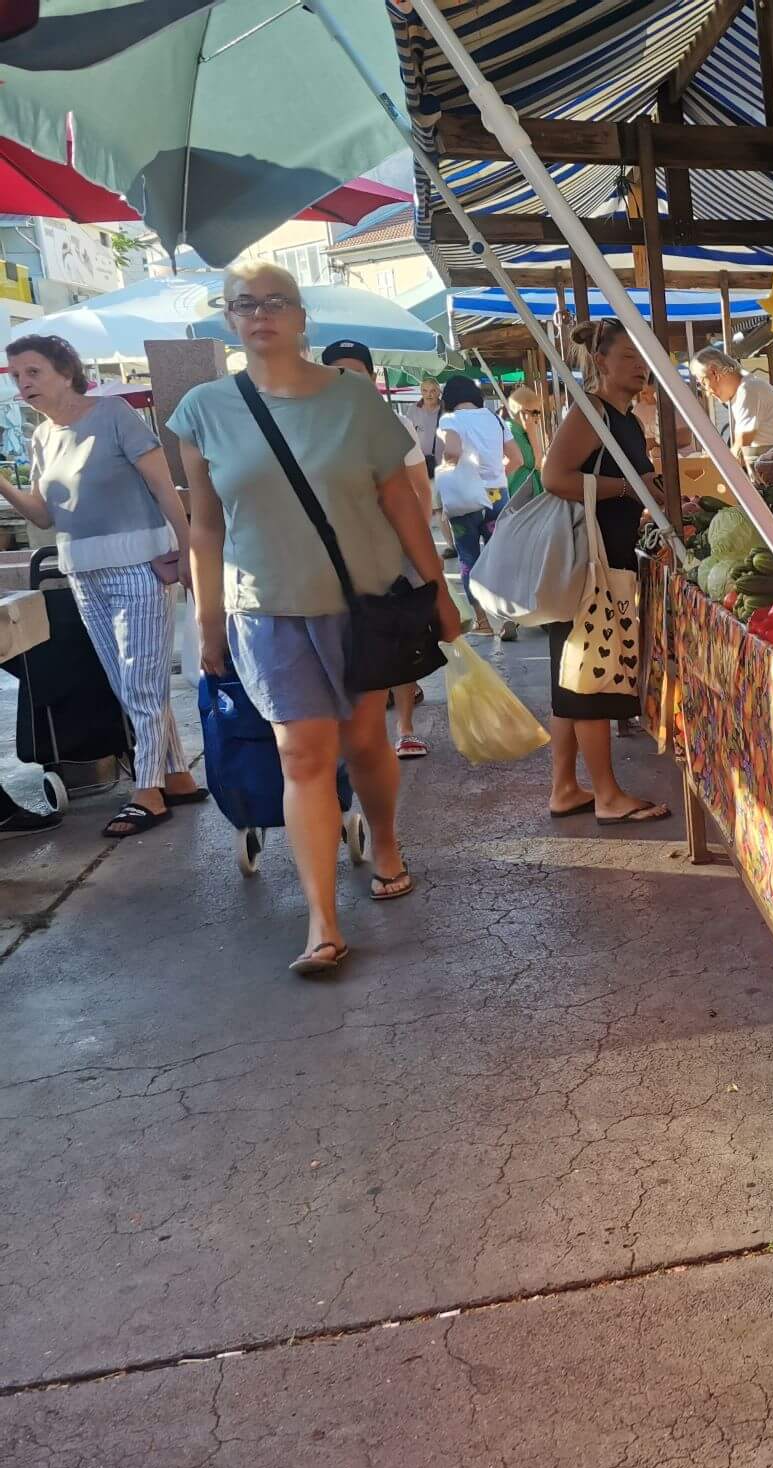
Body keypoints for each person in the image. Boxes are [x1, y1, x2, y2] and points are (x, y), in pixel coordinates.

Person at [169, 259, 460, 975]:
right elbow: (204, 527)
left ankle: (385, 843)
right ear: (229, 319)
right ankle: (323, 921)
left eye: (276, 301)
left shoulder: (355, 404)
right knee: (301, 755)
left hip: (362, 608)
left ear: (302, 318)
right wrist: (208, 622)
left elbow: (400, 503)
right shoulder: (202, 410)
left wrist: (441, 591)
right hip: (266, 611)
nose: (261, 313)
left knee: (364, 743)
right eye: (245, 303)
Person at [0, 333, 208, 836]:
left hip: (142, 561)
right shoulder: (41, 436)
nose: (23, 383)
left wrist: (190, 555)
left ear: (65, 371)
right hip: (81, 570)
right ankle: (176, 776)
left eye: (33, 371)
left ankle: (147, 789)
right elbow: (44, 514)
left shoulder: (114, 414)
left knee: (140, 678)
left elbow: (164, 486)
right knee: (129, 681)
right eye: (16, 375)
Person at [538, 320, 674, 825]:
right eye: (629, 358)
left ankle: (565, 788)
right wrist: (627, 490)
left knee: (569, 681)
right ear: (601, 362)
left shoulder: (629, 420)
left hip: (604, 560)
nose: (640, 368)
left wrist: (660, 496)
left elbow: (637, 480)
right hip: (585, 566)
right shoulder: (592, 413)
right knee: (589, 680)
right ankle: (609, 796)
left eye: (644, 360)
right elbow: (556, 477)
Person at [321, 340, 432, 758]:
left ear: (372, 378)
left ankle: (404, 727)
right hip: (338, 556)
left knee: (399, 638)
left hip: (392, 553)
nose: (349, 382)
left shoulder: (393, 425)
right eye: (338, 373)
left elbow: (420, 489)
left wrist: (414, 544)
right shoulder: (313, 427)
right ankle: (363, 731)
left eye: (357, 373)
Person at [436, 375, 519, 636]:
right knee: (501, 557)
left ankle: (483, 622)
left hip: (466, 498)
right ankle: (508, 620)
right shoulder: (495, 418)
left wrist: (450, 472)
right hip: (497, 495)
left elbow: (452, 452)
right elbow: (515, 458)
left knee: (469, 557)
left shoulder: (450, 419)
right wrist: (494, 474)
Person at [689, 346, 773, 459]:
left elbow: (740, 452)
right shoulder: (746, 387)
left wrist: (709, 463)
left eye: (703, 382)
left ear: (714, 372)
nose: (707, 392)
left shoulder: (747, 390)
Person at [408, 377, 444, 477]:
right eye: (425, 390)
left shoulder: (447, 409)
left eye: (433, 390)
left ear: (439, 392)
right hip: (421, 465)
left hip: (444, 467)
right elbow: (407, 436)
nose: (429, 394)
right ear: (421, 392)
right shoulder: (413, 409)